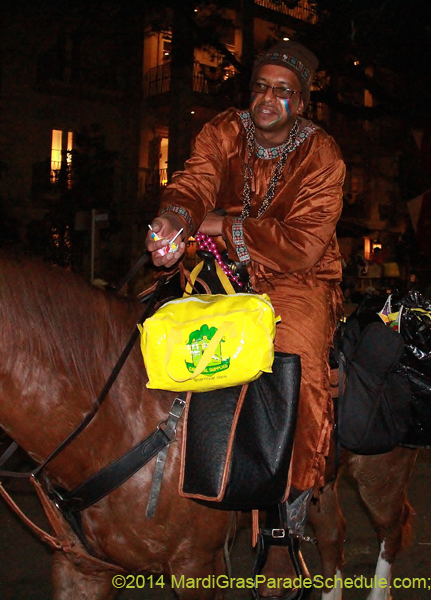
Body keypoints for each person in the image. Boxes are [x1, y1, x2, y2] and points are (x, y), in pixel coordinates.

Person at [146, 41, 344, 588]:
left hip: (297, 281)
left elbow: (303, 246)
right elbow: (193, 182)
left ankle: (283, 526)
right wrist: (172, 221)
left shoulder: (323, 155)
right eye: (261, 87)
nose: (268, 99)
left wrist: (214, 226)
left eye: (283, 91)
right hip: (221, 268)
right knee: (153, 325)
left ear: (301, 102)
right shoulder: (223, 132)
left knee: (296, 371)